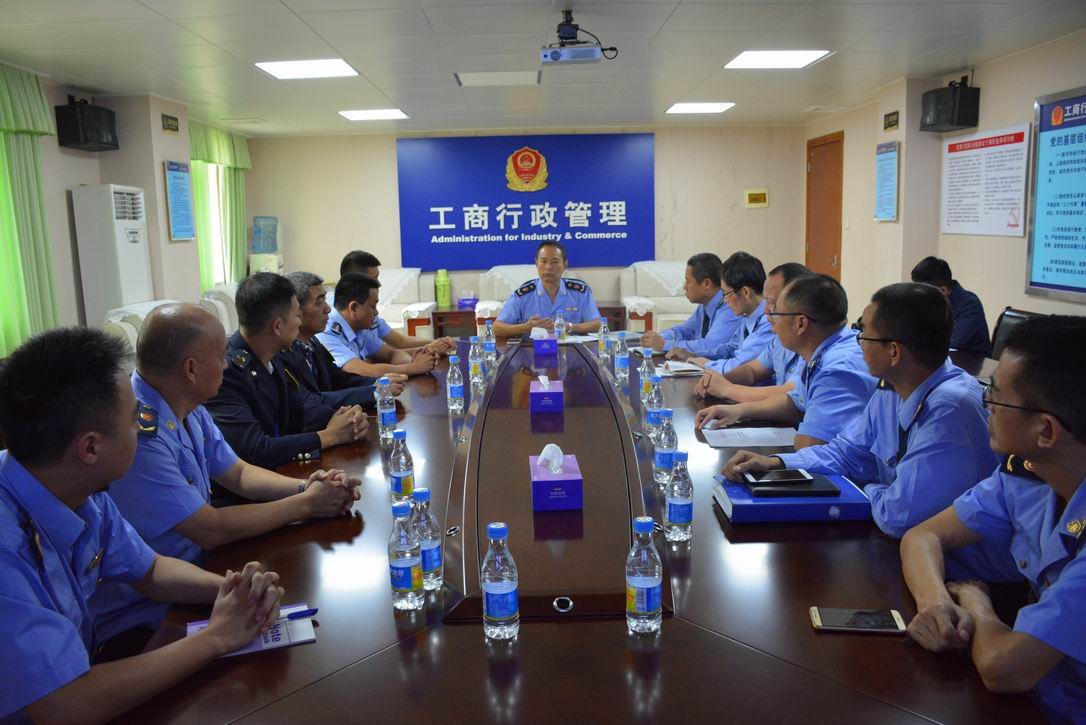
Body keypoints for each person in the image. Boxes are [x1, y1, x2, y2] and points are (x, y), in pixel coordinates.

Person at [0, 327, 284, 722]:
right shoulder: (6, 548)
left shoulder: (82, 487)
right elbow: (64, 704)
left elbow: (150, 569)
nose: (142, 427)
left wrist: (234, 593)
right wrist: (217, 637)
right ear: (90, 447)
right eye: (134, 420)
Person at [93, 304, 361, 644]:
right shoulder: (138, 435)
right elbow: (209, 529)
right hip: (148, 614)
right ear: (191, 369)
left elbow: (238, 473)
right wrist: (308, 504)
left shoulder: (186, 404)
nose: (226, 364)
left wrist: (307, 486)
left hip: (197, 574)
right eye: (221, 356)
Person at [901, 315, 1086, 721]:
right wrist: (935, 603)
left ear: (1046, 431)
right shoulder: (1028, 476)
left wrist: (976, 602)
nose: (985, 404)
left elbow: (1005, 669)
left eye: (996, 396)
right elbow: (922, 537)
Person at [723, 283, 999, 539]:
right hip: (900, 546)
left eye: (864, 334)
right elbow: (844, 452)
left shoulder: (949, 410)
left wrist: (868, 486)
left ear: (894, 352)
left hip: (958, 567)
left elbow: (897, 517)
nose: (859, 342)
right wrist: (776, 463)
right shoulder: (891, 388)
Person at [206, 272, 368, 469]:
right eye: (296, 316)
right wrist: (329, 436)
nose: (299, 323)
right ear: (277, 326)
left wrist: (345, 418)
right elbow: (255, 449)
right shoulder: (228, 373)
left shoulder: (272, 355)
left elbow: (299, 408)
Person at [695, 273, 876, 449]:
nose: (768, 315)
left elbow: (809, 445)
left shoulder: (836, 370)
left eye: (775, 311)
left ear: (800, 324)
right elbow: (795, 402)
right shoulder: (820, 348)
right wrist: (739, 411)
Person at [280, 271, 406, 406]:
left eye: (325, 300)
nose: (328, 309)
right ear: (296, 309)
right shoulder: (282, 354)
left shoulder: (312, 343)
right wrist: (375, 392)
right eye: (319, 302)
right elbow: (309, 401)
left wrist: (378, 383)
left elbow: (339, 379)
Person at [694, 262, 812, 403]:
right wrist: (718, 381)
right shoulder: (779, 339)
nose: (766, 310)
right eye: (766, 302)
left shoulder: (814, 348)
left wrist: (727, 389)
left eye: (773, 304)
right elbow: (752, 370)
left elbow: (791, 394)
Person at [318, 272, 438, 378]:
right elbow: (361, 371)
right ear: (354, 308)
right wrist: (414, 368)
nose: (376, 312)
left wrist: (413, 361)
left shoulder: (358, 327)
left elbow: (391, 354)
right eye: (372, 306)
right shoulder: (327, 332)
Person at [338, 250, 455, 355]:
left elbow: (398, 342)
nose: (378, 284)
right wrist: (429, 349)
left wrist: (438, 343)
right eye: (373, 279)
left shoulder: (369, 313)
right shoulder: (339, 323)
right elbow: (367, 364)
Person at [676, 252, 774, 374]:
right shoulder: (747, 316)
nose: (725, 300)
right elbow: (730, 349)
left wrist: (706, 363)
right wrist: (695, 355)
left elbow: (741, 364)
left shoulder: (768, 322)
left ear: (745, 292)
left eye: (726, 294)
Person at [492, 241, 601, 336]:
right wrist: (525, 327)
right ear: (536, 263)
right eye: (544, 261)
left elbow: (598, 324)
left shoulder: (580, 292)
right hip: (532, 350)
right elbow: (497, 328)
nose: (548, 267)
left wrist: (570, 327)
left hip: (572, 349)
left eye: (555, 262)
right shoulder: (523, 295)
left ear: (565, 265)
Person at [641, 253, 740, 357]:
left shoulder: (729, 307)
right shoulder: (705, 304)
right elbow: (684, 330)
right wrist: (656, 338)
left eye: (688, 281)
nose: (684, 287)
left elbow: (711, 345)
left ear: (706, 284)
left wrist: (665, 344)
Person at [911, 256, 991, 356]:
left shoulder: (969, 304)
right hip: (941, 360)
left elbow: (953, 343)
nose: (918, 295)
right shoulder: (931, 302)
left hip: (970, 362)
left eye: (922, 291)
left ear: (943, 290)